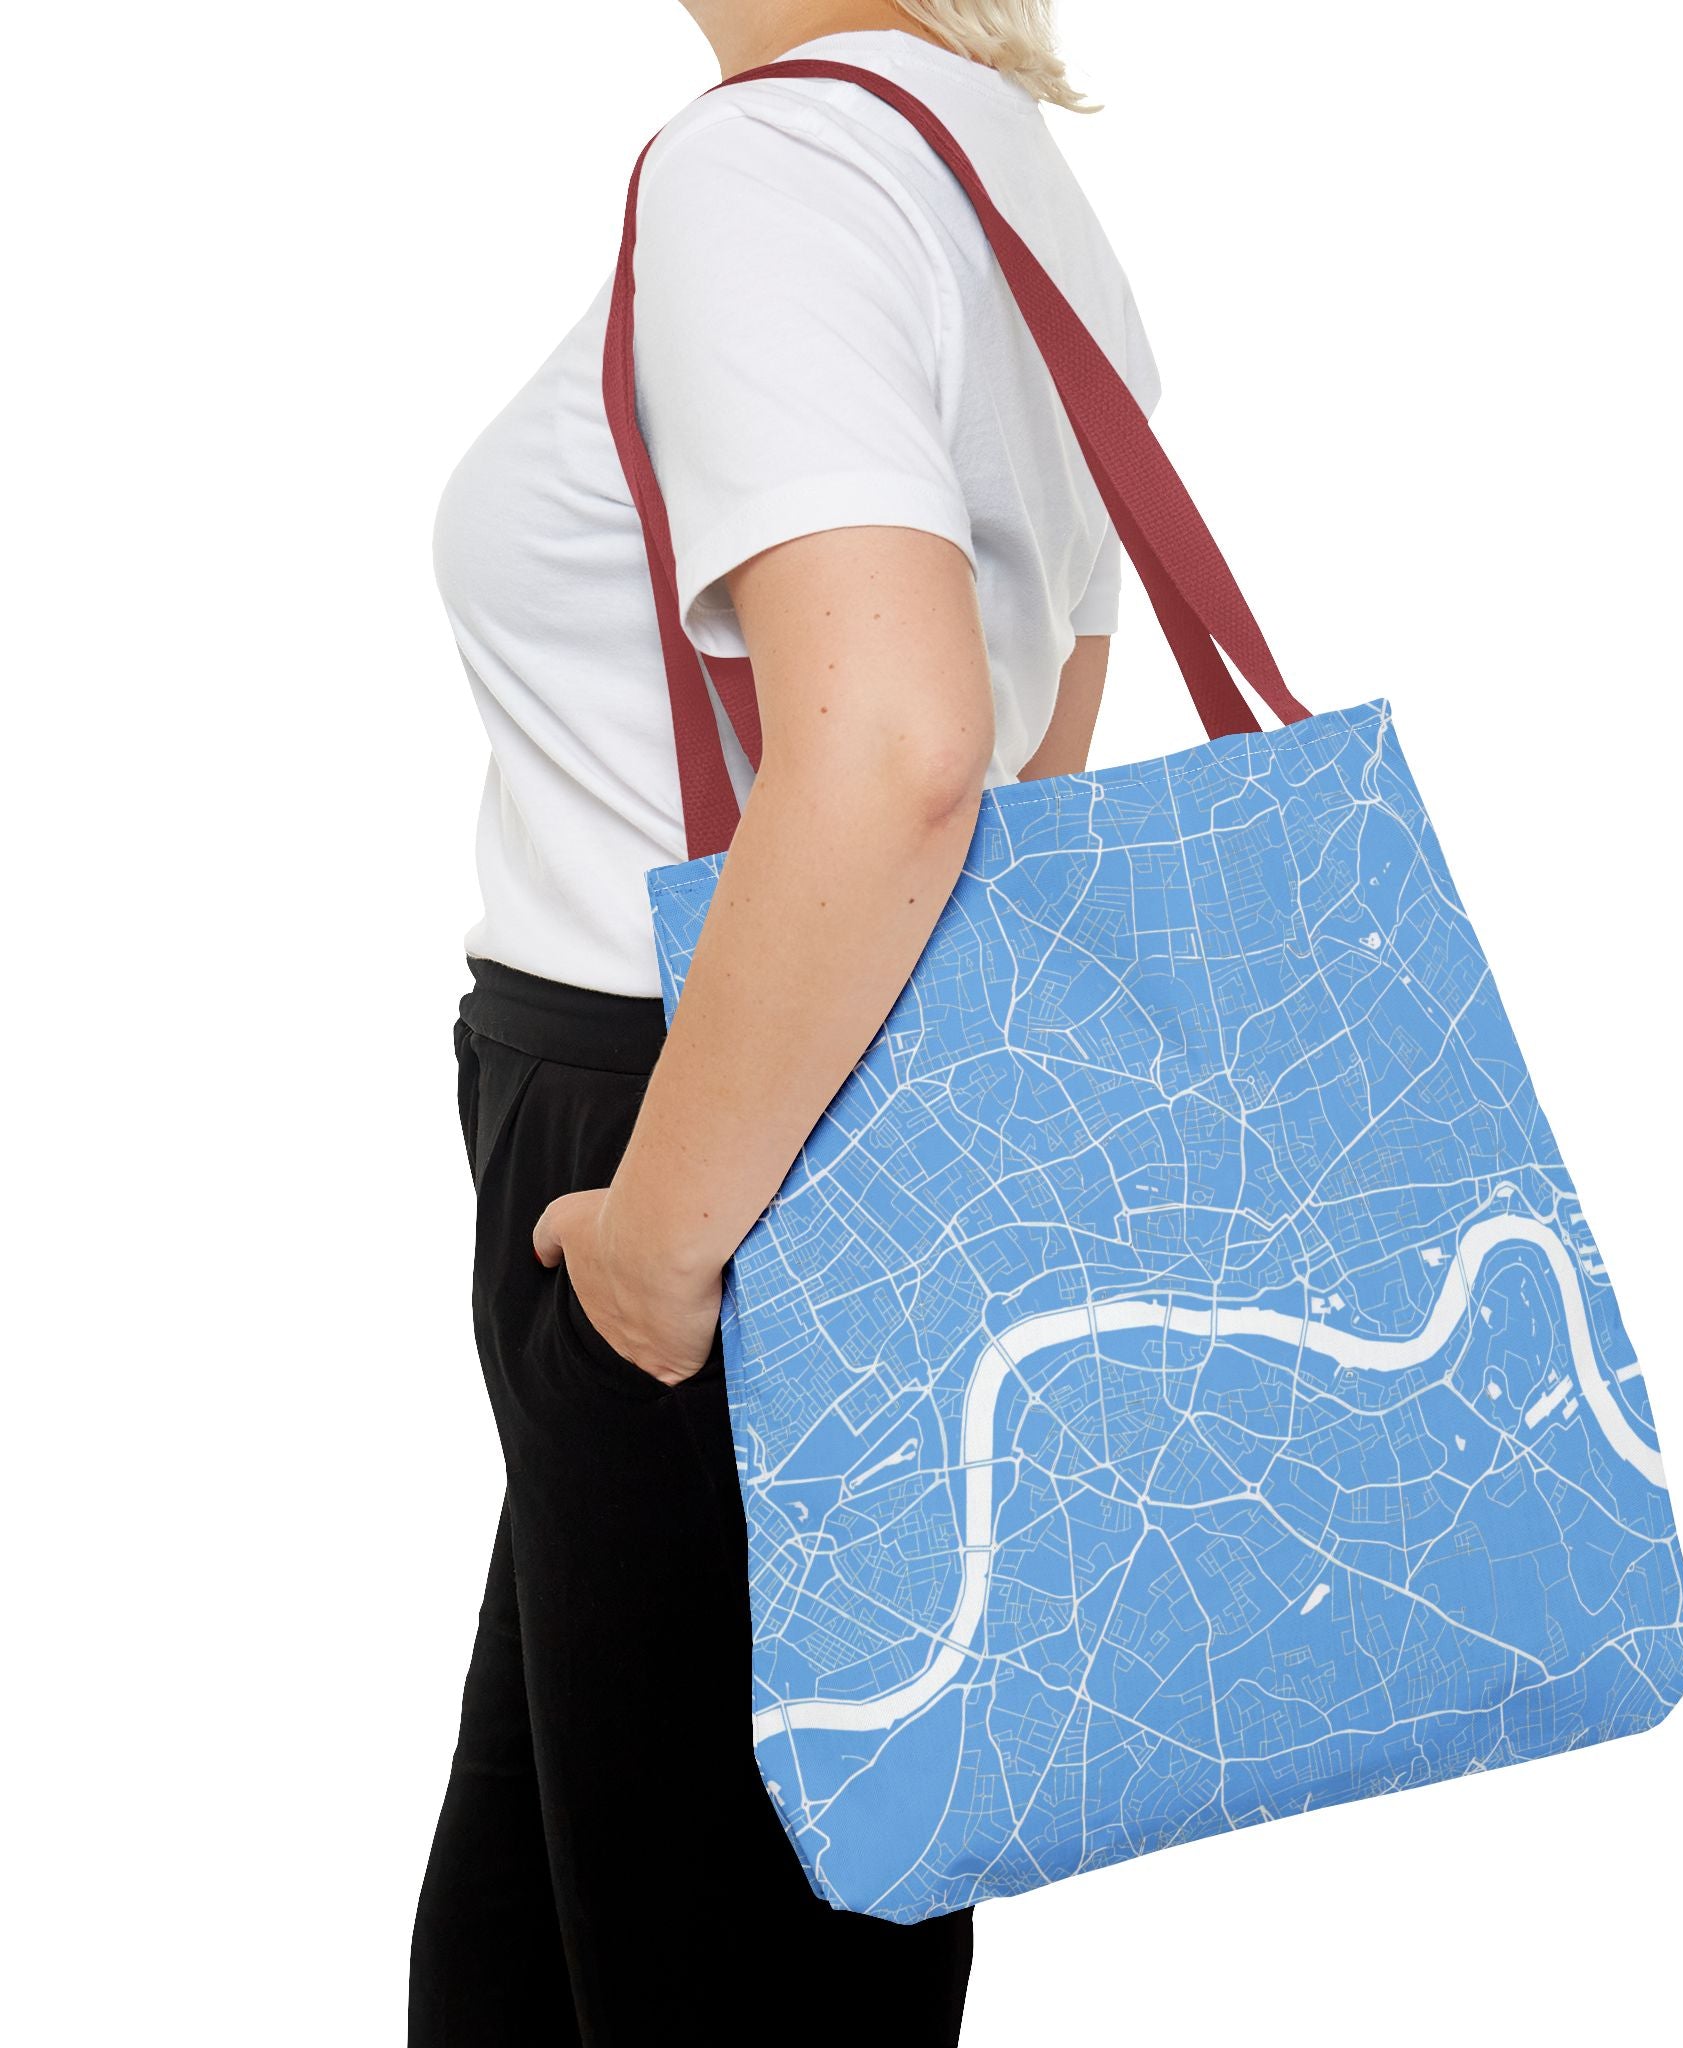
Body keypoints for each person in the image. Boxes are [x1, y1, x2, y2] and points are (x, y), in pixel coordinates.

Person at [409, 4, 1159, 2040]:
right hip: (830, 1118)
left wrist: (660, 1251)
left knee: (701, 1973)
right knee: (578, 1952)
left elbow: (909, 747)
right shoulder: (990, 160)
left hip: (694, 1156)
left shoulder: (775, 170)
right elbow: (1044, 737)